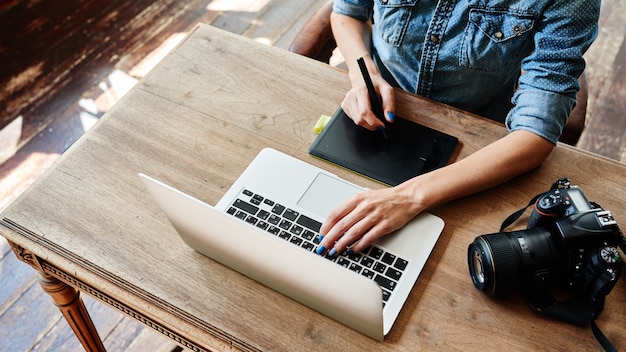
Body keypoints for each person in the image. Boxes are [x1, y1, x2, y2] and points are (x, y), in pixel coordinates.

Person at [315, 0, 600, 257]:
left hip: (477, 143)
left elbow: (535, 134)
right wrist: (363, 74)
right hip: (375, 112)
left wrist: (408, 197)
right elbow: (348, 13)